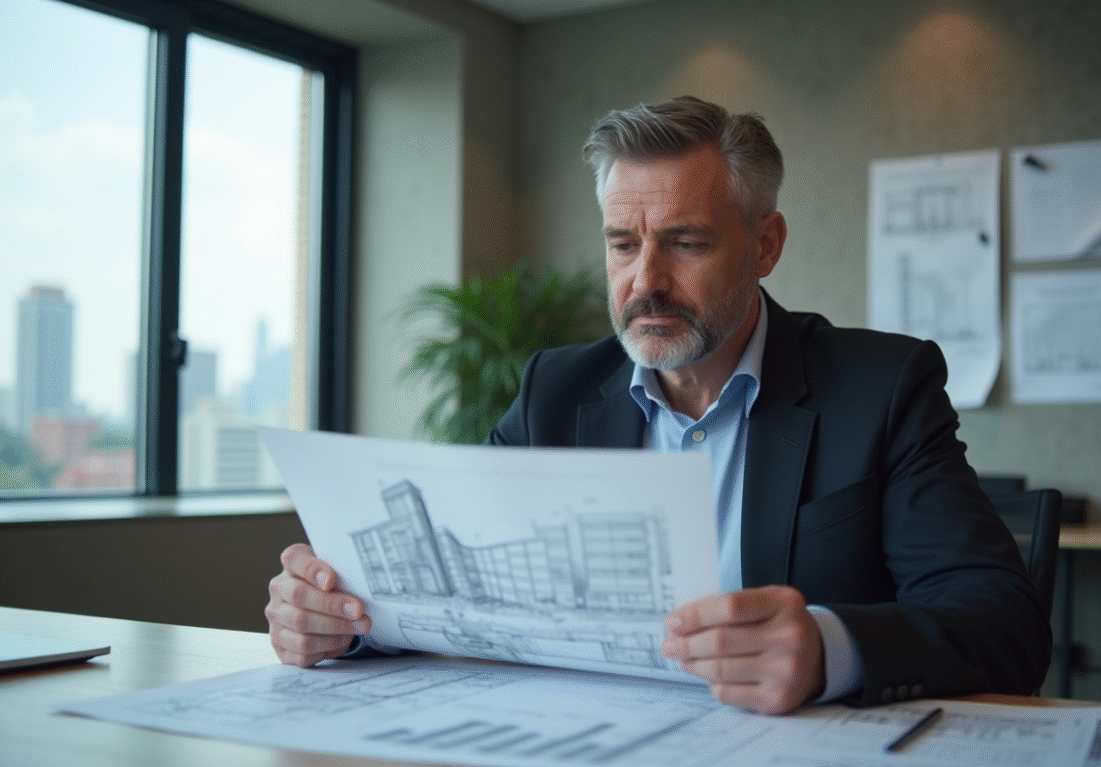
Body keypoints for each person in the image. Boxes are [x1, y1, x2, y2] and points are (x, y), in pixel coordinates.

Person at [267, 96, 1051, 715]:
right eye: (621, 243)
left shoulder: (881, 387)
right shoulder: (555, 393)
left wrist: (826, 647)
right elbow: (460, 591)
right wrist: (341, 620)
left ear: (765, 243)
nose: (645, 281)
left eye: (686, 242)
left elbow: (1003, 623)